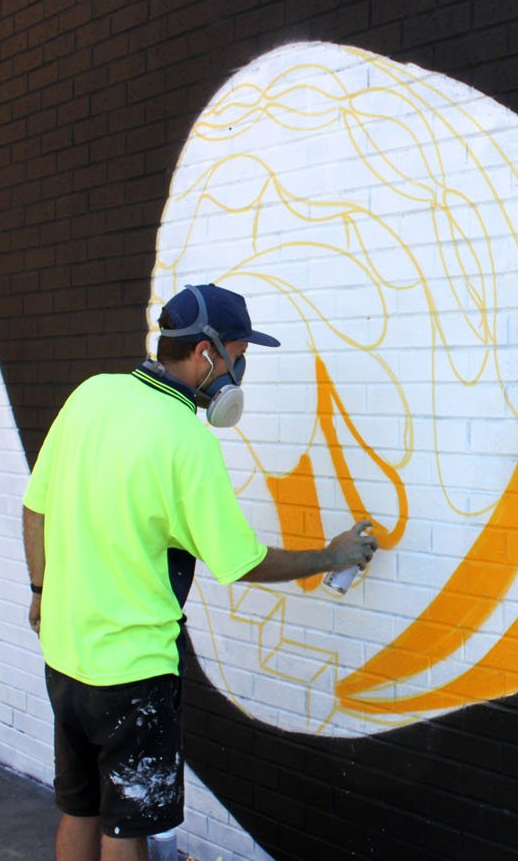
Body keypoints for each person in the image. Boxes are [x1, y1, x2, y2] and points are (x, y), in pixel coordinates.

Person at [22, 283, 379, 861]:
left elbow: (34, 507)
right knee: (127, 827)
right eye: (239, 355)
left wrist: (41, 592)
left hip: (64, 656)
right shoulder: (187, 439)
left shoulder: (91, 394)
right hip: (132, 673)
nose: (239, 371)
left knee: (79, 808)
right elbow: (242, 561)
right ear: (208, 353)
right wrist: (330, 557)